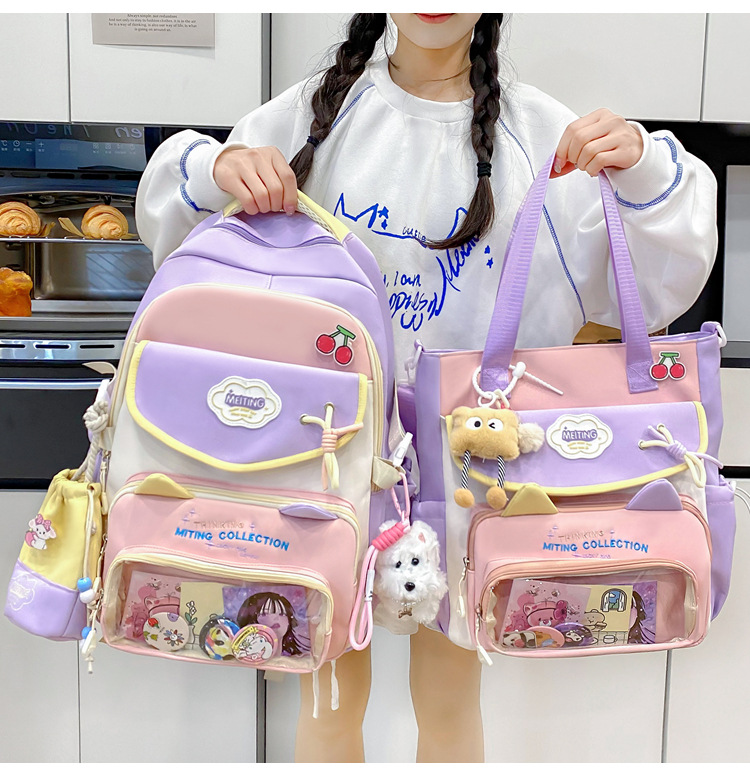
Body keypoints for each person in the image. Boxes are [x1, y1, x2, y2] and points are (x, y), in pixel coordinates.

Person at [135, 13, 717, 763]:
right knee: (329, 690)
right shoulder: (308, 117)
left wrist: (643, 170)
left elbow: (657, 275)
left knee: (447, 700)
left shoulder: (542, 135)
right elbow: (186, 235)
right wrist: (216, 168)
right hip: (329, 457)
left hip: (472, 463)